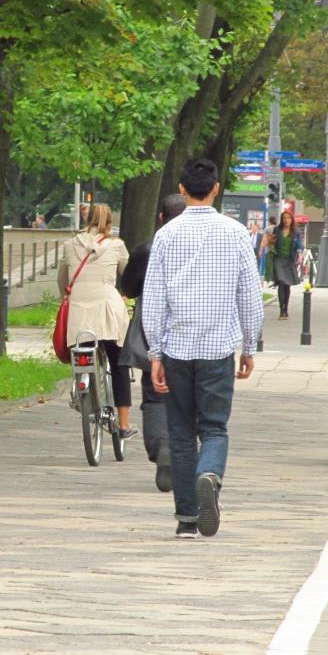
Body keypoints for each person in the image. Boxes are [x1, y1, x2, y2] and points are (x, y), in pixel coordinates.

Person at [142, 158, 263, 539]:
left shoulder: (166, 235)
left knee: (180, 432)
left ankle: (187, 519)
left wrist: (155, 352)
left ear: (181, 190)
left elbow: (153, 298)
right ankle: (209, 473)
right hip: (217, 346)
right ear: (216, 188)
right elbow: (250, 293)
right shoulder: (235, 232)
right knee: (214, 428)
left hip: (176, 347)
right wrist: (249, 345)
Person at [122, 193, 186, 492]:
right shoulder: (200, 248)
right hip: (192, 332)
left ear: (161, 217)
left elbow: (130, 288)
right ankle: (186, 451)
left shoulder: (146, 249)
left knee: (154, 393)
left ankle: (161, 446)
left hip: (154, 329)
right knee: (189, 396)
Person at [57, 203, 136, 439]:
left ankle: (82, 390)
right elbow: (129, 276)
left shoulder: (70, 245)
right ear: (109, 223)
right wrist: (128, 294)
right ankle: (123, 424)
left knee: (81, 353)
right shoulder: (116, 245)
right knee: (119, 363)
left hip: (79, 313)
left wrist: (69, 297)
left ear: (86, 218)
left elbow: (63, 280)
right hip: (107, 311)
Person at [271, 210, 303, 320]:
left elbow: (300, 245)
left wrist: (299, 253)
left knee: (287, 285)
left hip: (290, 260)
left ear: (291, 219)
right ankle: (281, 310)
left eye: (288, 218)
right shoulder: (277, 229)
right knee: (281, 282)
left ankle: (286, 309)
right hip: (279, 259)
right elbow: (272, 242)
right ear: (281, 219)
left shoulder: (296, 232)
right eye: (284, 218)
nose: (286, 220)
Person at [260, 215, 277, 283]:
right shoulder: (279, 228)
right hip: (277, 249)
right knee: (276, 264)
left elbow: (264, 240)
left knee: (269, 264)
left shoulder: (267, 229)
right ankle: (275, 278)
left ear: (269, 221)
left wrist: (261, 250)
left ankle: (268, 279)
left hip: (269, 248)